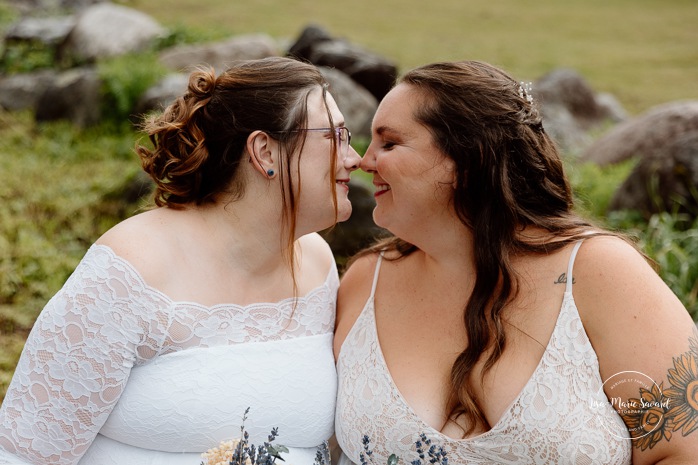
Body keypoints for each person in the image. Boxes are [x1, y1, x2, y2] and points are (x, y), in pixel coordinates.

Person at [0, 56, 361, 464]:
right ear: (264, 151)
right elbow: (23, 454)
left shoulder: (316, 262)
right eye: (336, 136)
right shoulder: (131, 269)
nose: (355, 158)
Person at [333, 60, 698, 464]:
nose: (364, 162)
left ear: (466, 161)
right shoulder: (366, 280)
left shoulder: (599, 271)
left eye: (388, 143)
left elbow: (683, 450)